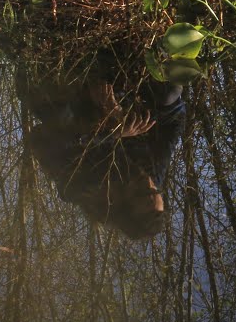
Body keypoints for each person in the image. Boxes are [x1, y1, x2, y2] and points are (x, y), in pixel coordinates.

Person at [17, 57, 186, 239]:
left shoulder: (77, 188)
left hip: (73, 108)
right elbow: (174, 123)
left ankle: (38, 58)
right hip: (119, 96)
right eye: (154, 190)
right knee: (169, 94)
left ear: (119, 201)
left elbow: (43, 138)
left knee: (59, 113)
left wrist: (110, 131)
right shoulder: (153, 175)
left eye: (139, 191)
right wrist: (133, 114)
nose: (147, 181)